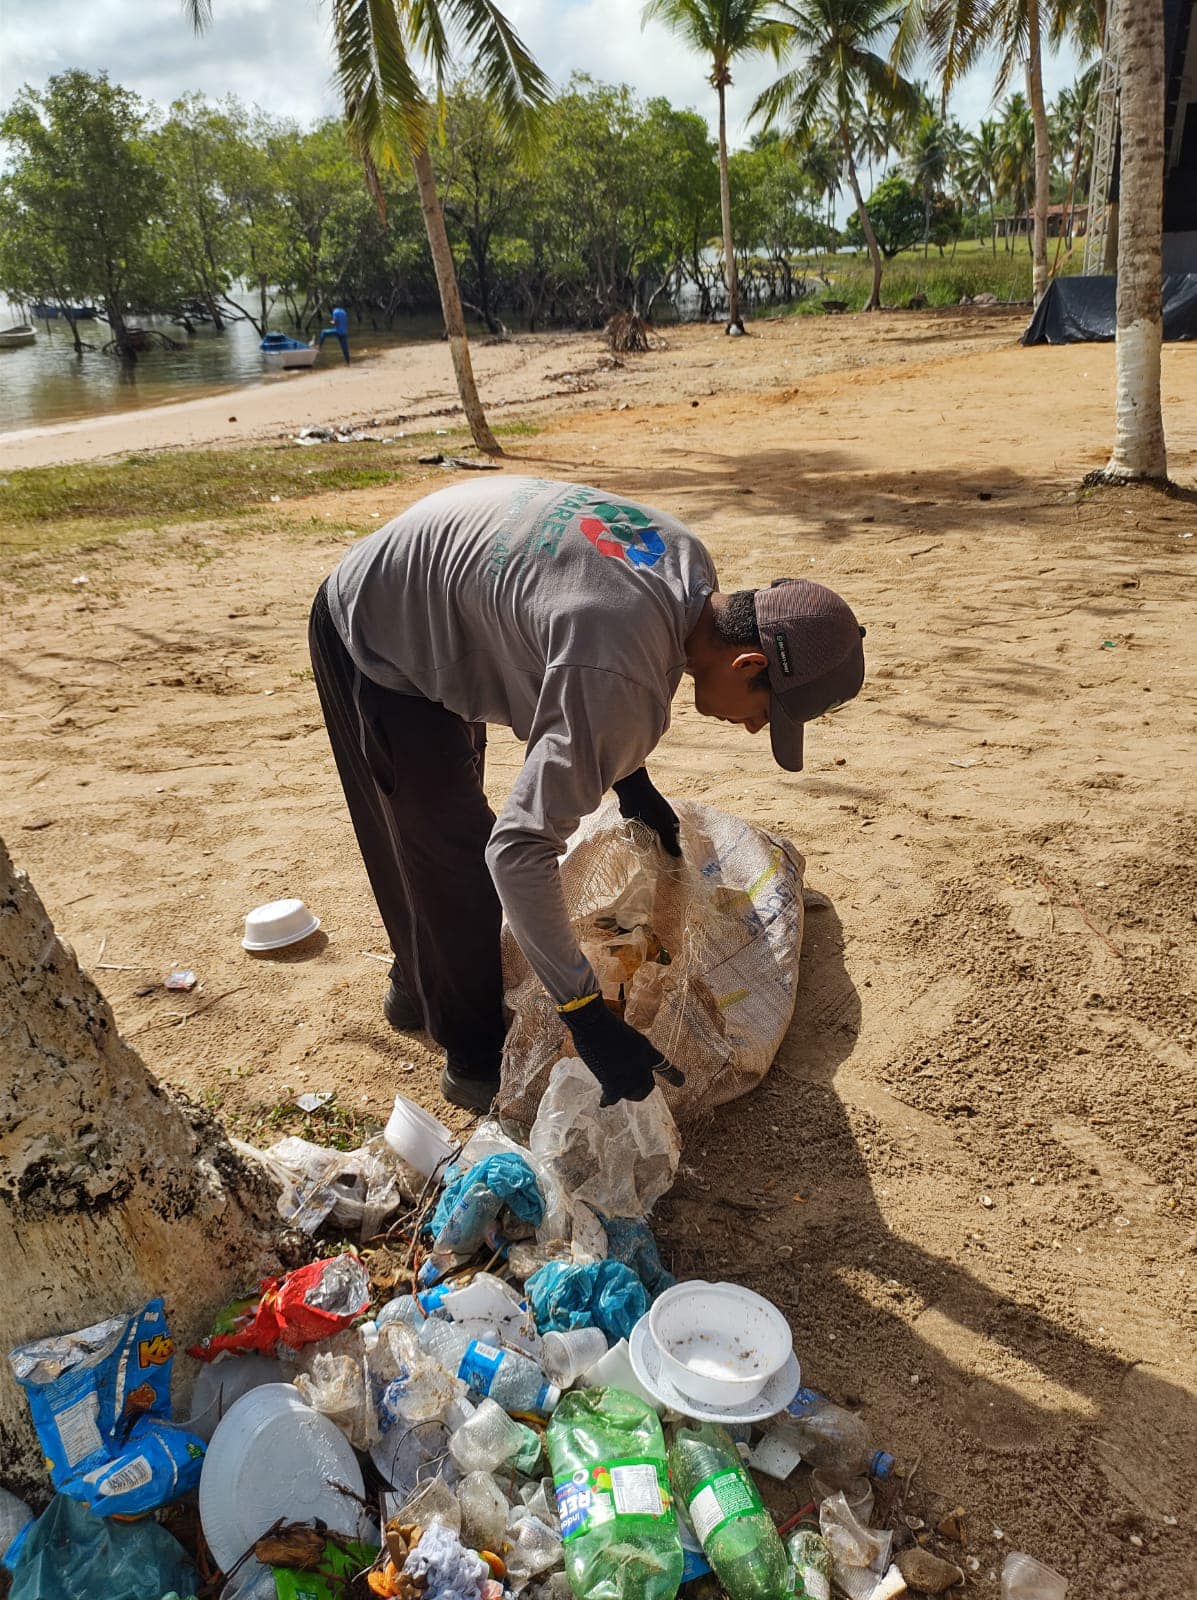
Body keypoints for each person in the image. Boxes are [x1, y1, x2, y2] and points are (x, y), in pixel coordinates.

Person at [309, 476, 865, 1112]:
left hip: (446, 592)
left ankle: (422, 979)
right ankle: (471, 1054)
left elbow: (582, 659)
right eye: (769, 712)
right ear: (748, 666)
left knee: (439, 830)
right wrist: (585, 1014)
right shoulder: (620, 678)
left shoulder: (687, 561)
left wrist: (631, 778)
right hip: (373, 620)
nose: (755, 726)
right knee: (452, 851)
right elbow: (516, 854)